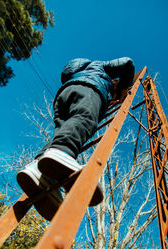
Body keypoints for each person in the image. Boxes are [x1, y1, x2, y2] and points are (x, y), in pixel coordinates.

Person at [17, 57, 135, 218]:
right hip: (90, 90)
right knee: (85, 119)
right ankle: (62, 153)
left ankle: (40, 171)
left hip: (64, 95)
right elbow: (127, 62)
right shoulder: (100, 68)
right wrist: (122, 90)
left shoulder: (80, 72)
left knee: (62, 133)